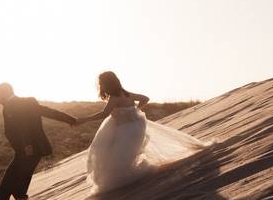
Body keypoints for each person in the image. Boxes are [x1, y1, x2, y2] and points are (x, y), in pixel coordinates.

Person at [77, 71, 208, 193]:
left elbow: (104, 113)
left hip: (125, 129)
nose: (101, 85)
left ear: (107, 84)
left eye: (102, 83)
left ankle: (122, 179)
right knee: (127, 153)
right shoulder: (126, 94)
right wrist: (135, 110)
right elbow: (145, 98)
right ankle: (127, 173)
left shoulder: (114, 98)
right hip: (137, 126)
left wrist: (83, 120)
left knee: (114, 153)